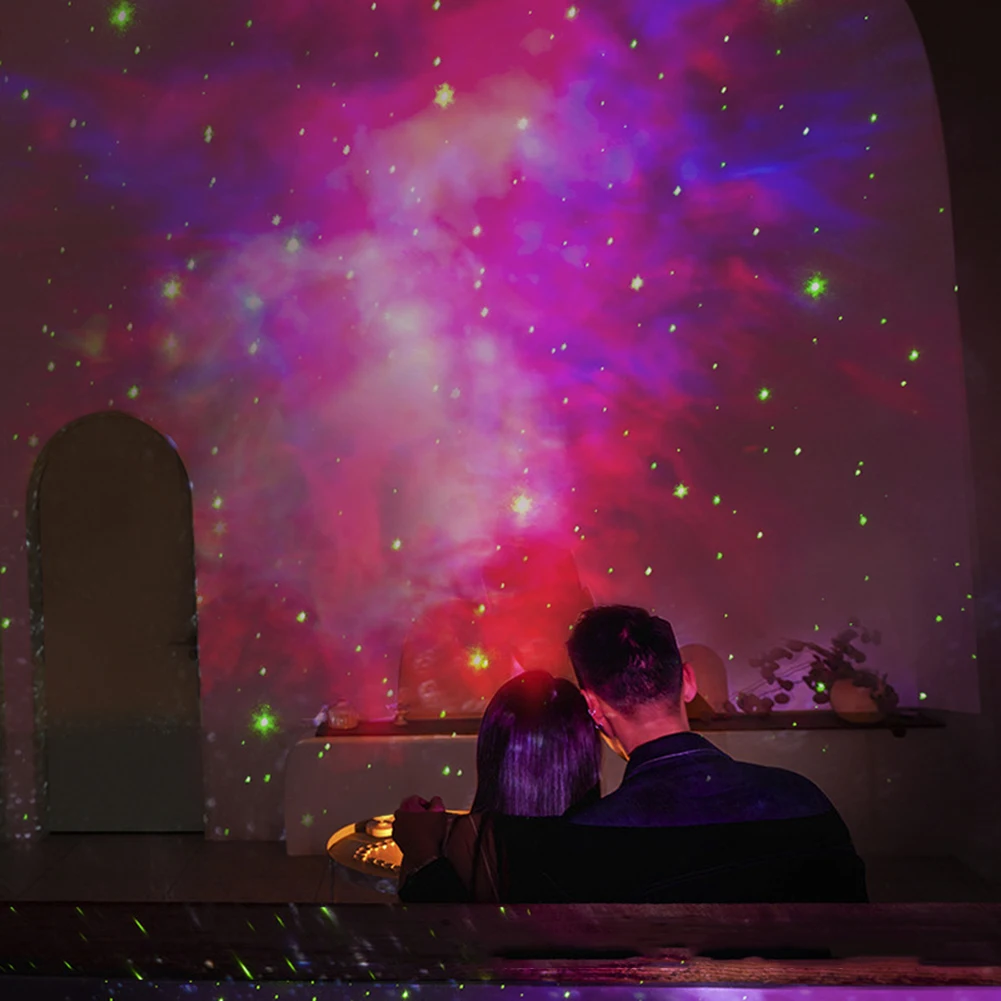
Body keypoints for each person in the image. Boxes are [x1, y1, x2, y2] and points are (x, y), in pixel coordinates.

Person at [396, 604, 867, 904]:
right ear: (688, 681)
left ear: (593, 708)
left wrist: (422, 859)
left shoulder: (580, 845)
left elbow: (472, 954)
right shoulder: (805, 801)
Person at [395, 669, 601, 901]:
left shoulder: (464, 842)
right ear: (586, 757)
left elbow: (435, 920)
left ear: (492, 754)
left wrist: (423, 850)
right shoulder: (612, 847)